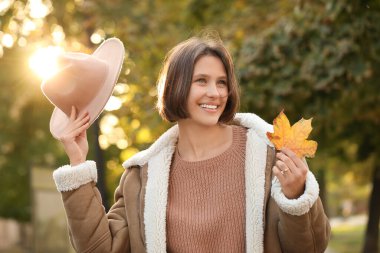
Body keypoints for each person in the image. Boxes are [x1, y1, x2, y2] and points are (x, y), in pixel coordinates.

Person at [52, 35, 330, 253]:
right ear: (175, 87)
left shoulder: (271, 156)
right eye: (201, 81)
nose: (215, 93)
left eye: (222, 82)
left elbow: (312, 247)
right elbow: (100, 249)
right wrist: (78, 166)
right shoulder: (141, 178)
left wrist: (295, 196)